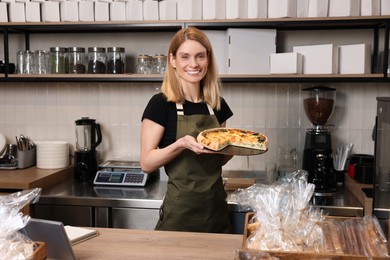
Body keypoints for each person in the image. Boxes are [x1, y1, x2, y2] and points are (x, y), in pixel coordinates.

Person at [140, 27, 234, 233]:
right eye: (185, 57)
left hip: (216, 210)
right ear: (173, 60)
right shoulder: (161, 104)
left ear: (208, 59)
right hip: (179, 215)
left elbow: (218, 159)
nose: (194, 64)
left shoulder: (217, 105)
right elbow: (146, 163)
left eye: (200, 56)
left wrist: (234, 148)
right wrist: (181, 144)